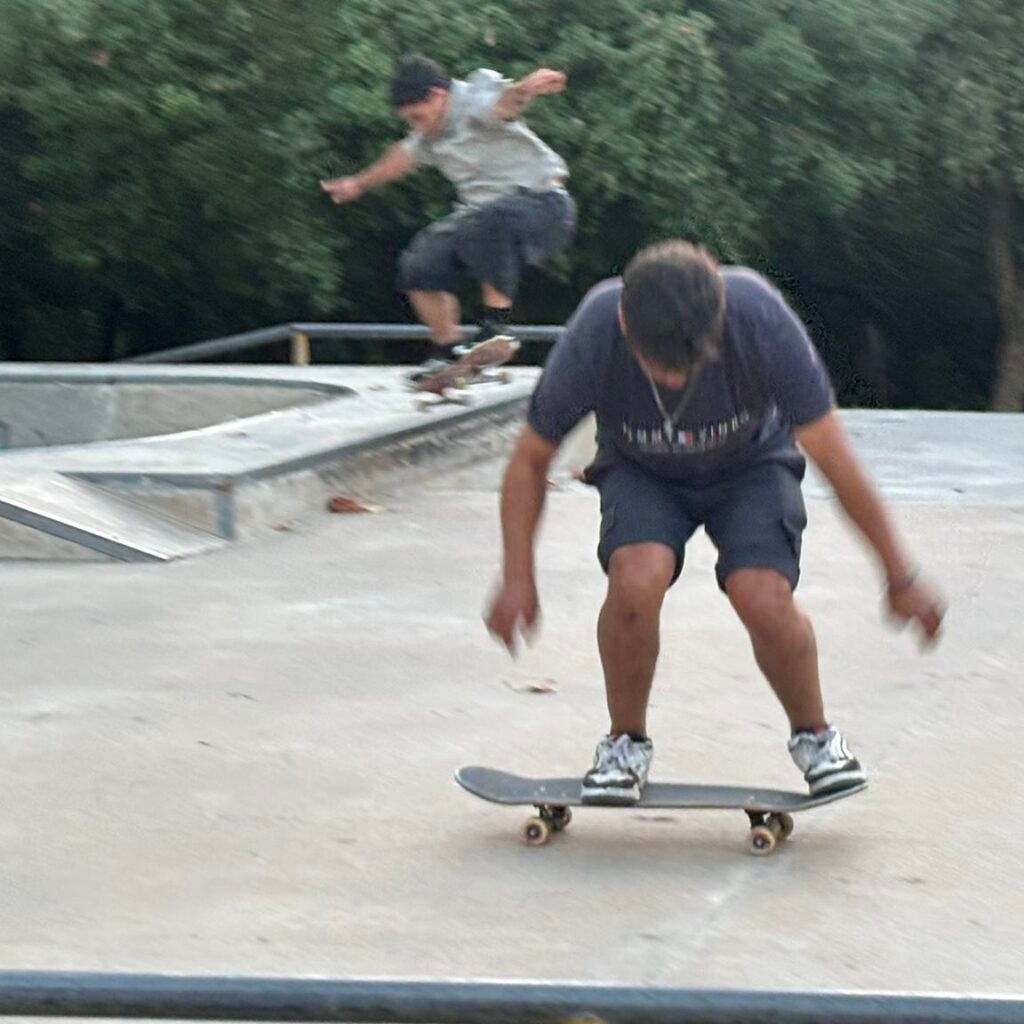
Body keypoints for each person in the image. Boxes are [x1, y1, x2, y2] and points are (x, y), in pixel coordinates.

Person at [485, 240, 945, 804]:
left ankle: (816, 737)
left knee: (763, 596)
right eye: (661, 369)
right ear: (626, 324)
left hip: (752, 467)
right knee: (636, 580)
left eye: (688, 366)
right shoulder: (597, 328)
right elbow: (529, 460)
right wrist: (517, 575)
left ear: (718, 319)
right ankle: (625, 744)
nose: (676, 383)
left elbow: (835, 456)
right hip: (642, 472)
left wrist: (899, 574)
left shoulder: (758, 318)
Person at [320, 54, 576, 377]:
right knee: (419, 264)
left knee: (488, 218)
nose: (416, 126)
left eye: (417, 117)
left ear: (437, 96)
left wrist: (525, 88)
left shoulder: (473, 100)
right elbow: (401, 157)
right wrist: (358, 184)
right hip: (483, 217)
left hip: (544, 206)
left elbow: (504, 103)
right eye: (409, 121)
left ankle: (495, 326)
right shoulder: (431, 134)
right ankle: (448, 352)